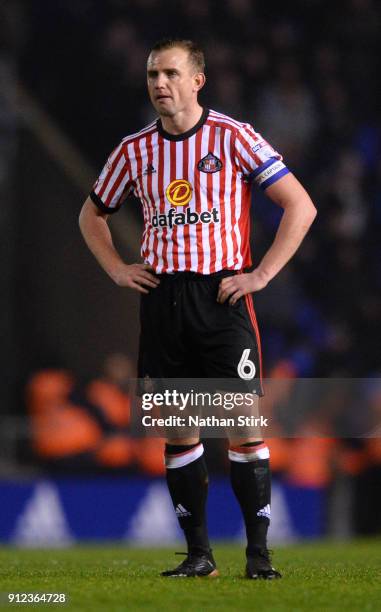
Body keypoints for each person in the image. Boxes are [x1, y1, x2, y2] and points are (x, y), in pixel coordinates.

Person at [79, 38, 317, 579]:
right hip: (164, 301)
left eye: (169, 73)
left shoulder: (232, 137)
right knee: (180, 430)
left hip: (221, 297)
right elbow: (91, 215)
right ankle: (200, 557)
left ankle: (259, 558)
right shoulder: (134, 150)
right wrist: (117, 269)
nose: (159, 83)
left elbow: (300, 205)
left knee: (242, 423)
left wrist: (261, 274)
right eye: (151, 74)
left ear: (197, 81)